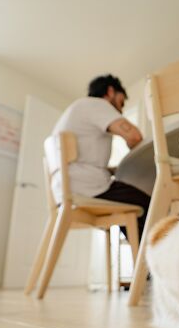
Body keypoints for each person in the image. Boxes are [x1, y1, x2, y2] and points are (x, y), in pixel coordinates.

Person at [51, 74, 150, 241]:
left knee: (129, 201)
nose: (120, 110)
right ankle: (150, 264)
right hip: (88, 188)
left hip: (65, 190)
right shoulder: (97, 104)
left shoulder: (77, 109)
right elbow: (134, 136)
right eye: (120, 102)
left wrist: (111, 169)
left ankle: (143, 262)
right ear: (110, 92)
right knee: (148, 204)